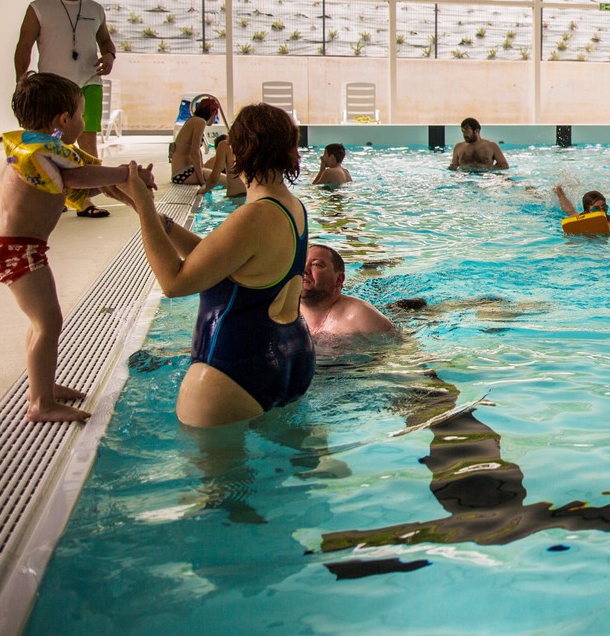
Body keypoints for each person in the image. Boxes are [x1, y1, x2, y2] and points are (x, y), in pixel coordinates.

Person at [111, 103, 314, 428]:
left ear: (239, 150)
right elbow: (219, 261)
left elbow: (174, 283)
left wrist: (146, 205)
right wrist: (148, 212)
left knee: (217, 465)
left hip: (231, 369)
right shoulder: (291, 207)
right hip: (291, 358)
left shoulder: (254, 215)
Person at [0, 73, 153, 422]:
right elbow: (79, 178)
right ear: (64, 119)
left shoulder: (42, 150)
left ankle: (42, 385)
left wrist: (131, 186)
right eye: (81, 114)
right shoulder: (44, 151)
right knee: (48, 322)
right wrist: (125, 173)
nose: (82, 121)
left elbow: (81, 184)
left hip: (11, 247)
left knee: (40, 321)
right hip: (18, 250)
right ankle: (40, 404)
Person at [13, 0, 117, 213]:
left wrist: (109, 56)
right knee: (52, 144)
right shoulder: (39, 8)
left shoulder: (95, 9)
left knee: (88, 141)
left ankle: (84, 199)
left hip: (88, 83)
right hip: (54, 88)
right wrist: (21, 80)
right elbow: (24, 45)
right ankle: (54, 194)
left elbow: (106, 42)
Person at [300, 244, 398, 339]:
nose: (304, 270)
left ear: (339, 279)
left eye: (316, 264)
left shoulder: (361, 318)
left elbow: (399, 345)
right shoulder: (291, 312)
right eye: (301, 263)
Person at [171, 95, 223, 188]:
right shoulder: (200, 122)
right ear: (213, 112)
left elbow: (196, 152)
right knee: (228, 181)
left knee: (218, 159)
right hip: (184, 174)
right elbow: (194, 152)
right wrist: (201, 180)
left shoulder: (192, 120)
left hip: (181, 173)